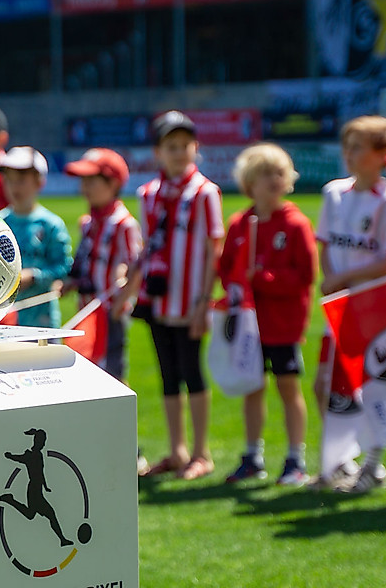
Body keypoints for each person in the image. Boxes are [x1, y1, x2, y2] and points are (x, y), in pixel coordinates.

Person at [116, 111, 223, 480]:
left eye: (185, 145)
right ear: (158, 152)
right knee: (168, 374)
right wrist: (130, 286)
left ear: (196, 148)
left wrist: (204, 302)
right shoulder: (149, 194)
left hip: (190, 300)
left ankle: (201, 452)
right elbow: (146, 249)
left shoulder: (205, 193)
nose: (179, 153)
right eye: (171, 146)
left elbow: (213, 250)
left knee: (192, 371)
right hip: (157, 300)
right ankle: (178, 450)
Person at [310, 116, 386, 493]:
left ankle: (373, 466)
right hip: (338, 306)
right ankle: (341, 460)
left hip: (372, 308)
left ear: (383, 155)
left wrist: (344, 278)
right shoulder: (334, 192)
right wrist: (333, 279)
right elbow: (326, 244)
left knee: (372, 389)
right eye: (347, 146)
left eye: (359, 147)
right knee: (323, 385)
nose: (349, 154)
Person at [220, 143, 316, 487]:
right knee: (253, 388)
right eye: (265, 174)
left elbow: (305, 275)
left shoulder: (296, 224)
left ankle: (295, 458)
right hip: (250, 327)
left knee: (288, 388)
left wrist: (263, 278)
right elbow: (226, 267)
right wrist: (237, 286)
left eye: (279, 173)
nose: (274, 179)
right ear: (249, 183)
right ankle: (252, 456)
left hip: (284, 325)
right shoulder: (240, 224)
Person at [63, 148, 142, 380]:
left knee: (112, 373)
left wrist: (122, 300)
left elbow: (136, 268)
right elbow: (86, 261)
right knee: (88, 370)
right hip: (86, 308)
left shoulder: (123, 224)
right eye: (83, 181)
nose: (84, 188)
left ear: (113, 183)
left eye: (91, 181)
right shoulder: (88, 223)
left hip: (110, 311)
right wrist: (72, 282)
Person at [0, 146, 73, 328]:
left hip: (42, 324)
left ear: (39, 181)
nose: (14, 187)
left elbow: (63, 267)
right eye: (9, 180)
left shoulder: (50, 224)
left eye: (21, 180)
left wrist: (34, 276)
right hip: (1, 324)